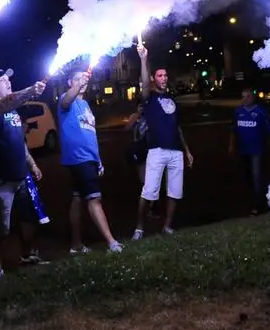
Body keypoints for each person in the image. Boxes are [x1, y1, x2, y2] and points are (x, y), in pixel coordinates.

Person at [0, 68, 47, 281]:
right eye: (2, 79)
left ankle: (27, 255)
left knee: (28, 218)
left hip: (21, 175)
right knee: (0, 226)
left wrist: (32, 164)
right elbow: (5, 103)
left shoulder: (13, 111)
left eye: (9, 79)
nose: (7, 82)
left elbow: (19, 142)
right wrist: (30, 92)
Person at [58, 69, 123, 254]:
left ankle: (76, 244)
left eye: (83, 78)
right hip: (79, 158)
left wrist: (98, 160)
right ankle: (111, 242)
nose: (82, 82)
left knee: (78, 198)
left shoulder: (85, 104)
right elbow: (65, 101)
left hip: (89, 158)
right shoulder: (65, 100)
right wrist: (79, 82)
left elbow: (90, 134)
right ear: (70, 82)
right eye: (77, 79)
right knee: (94, 199)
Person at [132, 44, 193, 240]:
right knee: (149, 192)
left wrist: (187, 151)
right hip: (157, 150)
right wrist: (143, 60)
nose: (164, 78)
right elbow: (143, 83)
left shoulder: (171, 99)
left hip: (176, 151)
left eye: (165, 76)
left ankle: (167, 226)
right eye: (159, 75)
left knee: (175, 191)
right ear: (153, 79)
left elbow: (177, 127)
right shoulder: (149, 98)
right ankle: (139, 228)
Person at [228, 88, 270, 215]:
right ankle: (251, 201)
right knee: (247, 177)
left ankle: (259, 205)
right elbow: (233, 130)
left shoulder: (261, 112)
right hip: (243, 150)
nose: (244, 99)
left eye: (247, 97)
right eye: (242, 97)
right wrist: (231, 146)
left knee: (257, 176)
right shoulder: (237, 112)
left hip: (257, 150)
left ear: (252, 98)